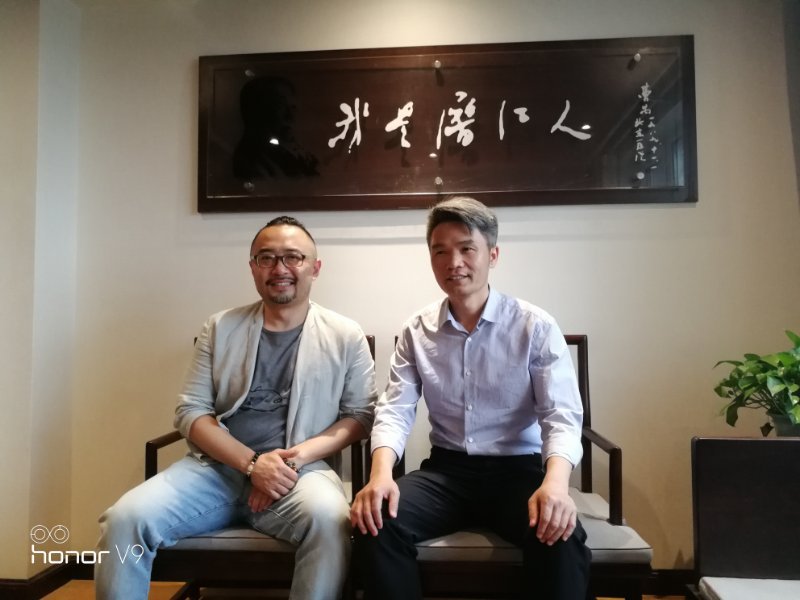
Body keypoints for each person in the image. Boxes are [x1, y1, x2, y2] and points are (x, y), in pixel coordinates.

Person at [95, 216, 377, 600]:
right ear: (253, 267)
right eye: (267, 258)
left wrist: (289, 462)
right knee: (123, 520)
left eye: (293, 257)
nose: (279, 268)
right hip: (214, 470)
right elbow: (191, 412)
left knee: (330, 520)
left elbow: (360, 417)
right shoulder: (221, 327)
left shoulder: (345, 335)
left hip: (300, 474)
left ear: (315, 267)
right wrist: (251, 465)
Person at [351, 196, 592, 599]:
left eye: (467, 249)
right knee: (376, 521)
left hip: (518, 472)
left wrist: (555, 484)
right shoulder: (416, 330)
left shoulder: (534, 325)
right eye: (440, 251)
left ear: (492, 255)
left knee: (560, 535)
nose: (454, 262)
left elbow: (561, 416)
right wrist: (380, 476)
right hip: (447, 473)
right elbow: (394, 409)